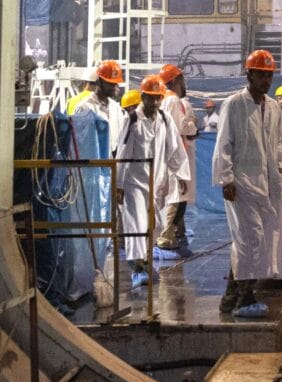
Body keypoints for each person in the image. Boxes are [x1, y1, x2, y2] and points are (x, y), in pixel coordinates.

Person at [214, 49, 282, 319]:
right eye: (261, 75)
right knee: (250, 238)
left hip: (268, 185)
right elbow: (224, 143)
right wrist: (226, 178)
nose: (266, 80)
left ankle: (230, 298)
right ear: (249, 75)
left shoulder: (273, 108)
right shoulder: (234, 104)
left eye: (269, 75)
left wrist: (281, 168)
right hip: (241, 184)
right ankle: (244, 298)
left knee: (255, 240)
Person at [66, 61, 128, 299]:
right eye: (110, 83)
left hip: (111, 168)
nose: (115, 88)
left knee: (108, 222)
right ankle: (85, 274)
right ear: (99, 81)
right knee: (91, 221)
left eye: (116, 84)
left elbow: (120, 141)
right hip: (91, 173)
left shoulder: (116, 108)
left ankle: (101, 267)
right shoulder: (84, 107)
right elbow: (79, 143)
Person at [118, 75, 179, 280]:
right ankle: (137, 267)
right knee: (136, 225)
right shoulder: (132, 120)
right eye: (150, 97)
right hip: (134, 183)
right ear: (142, 96)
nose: (154, 102)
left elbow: (174, 149)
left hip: (157, 181)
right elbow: (123, 152)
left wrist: (180, 176)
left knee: (157, 224)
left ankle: (145, 259)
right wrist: (119, 184)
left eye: (158, 98)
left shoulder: (165, 119)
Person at [156, 63, 199, 254]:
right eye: (181, 79)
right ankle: (166, 236)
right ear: (174, 80)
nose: (184, 83)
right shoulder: (172, 101)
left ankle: (176, 231)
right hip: (176, 155)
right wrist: (193, 124)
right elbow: (183, 127)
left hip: (169, 154)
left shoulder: (163, 100)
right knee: (177, 195)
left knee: (175, 194)